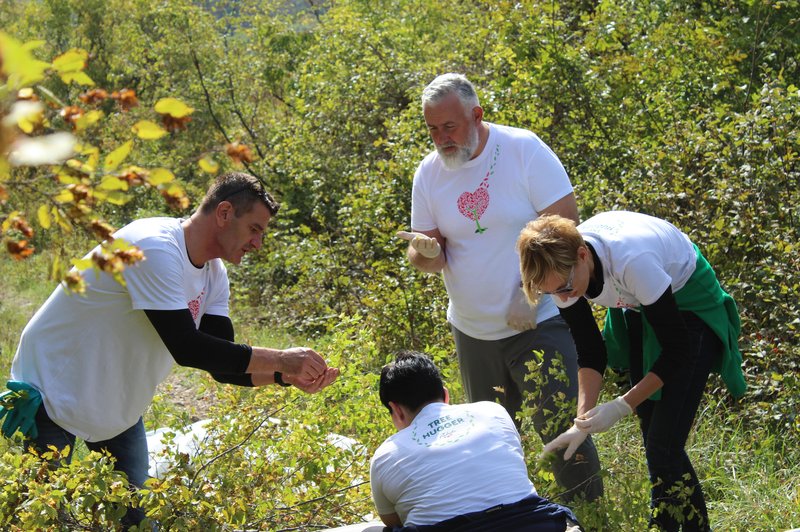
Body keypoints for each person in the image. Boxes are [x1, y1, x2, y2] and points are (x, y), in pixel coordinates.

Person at [4, 171, 340, 526]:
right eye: (254, 229)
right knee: (44, 518)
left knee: (138, 517)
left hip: (116, 403)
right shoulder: (153, 247)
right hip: (53, 390)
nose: (258, 243)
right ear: (224, 213)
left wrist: (283, 374)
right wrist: (284, 358)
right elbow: (186, 347)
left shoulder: (213, 274)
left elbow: (222, 365)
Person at [396, 73, 601, 502]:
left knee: (563, 430)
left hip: (539, 322)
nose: (441, 139)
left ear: (477, 115)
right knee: (492, 443)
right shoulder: (429, 174)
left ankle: (588, 516)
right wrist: (427, 251)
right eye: (432, 129)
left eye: (449, 127)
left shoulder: (523, 151)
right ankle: (513, 517)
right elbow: (424, 256)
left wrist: (532, 296)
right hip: (474, 334)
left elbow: (569, 230)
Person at [517, 211, 746, 531]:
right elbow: (591, 351)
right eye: (553, 292)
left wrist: (623, 404)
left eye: (567, 288)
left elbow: (677, 349)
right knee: (655, 436)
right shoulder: (561, 274)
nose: (565, 297)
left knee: (663, 445)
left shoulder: (632, 261)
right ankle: (671, 524)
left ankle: (669, 525)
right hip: (640, 304)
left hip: (689, 303)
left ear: (583, 255)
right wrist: (581, 421)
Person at [370, 351, 581, 532]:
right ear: (445, 394)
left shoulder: (386, 454)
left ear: (396, 410)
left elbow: (394, 521)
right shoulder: (493, 411)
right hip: (534, 524)